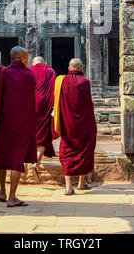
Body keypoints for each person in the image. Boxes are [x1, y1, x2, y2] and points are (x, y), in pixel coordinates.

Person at [0, 46, 36, 207]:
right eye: (27, 58)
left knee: (3, 155)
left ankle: (1, 191)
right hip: (22, 123)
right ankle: (12, 197)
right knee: (17, 159)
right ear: (22, 58)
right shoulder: (29, 76)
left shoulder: (1, 72)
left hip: (3, 121)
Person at [54, 58, 97, 195]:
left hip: (67, 123)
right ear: (81, 69)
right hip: (84, 123)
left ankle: (68, 186)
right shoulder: (86, 82)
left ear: (69, 68)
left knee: (67, 151)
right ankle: (81, 182)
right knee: (84, 149)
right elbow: (87, 104)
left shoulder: (61, 81)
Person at [28, 56, 58, 182]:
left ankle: (34, 162)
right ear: (45, 63)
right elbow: (54, 90)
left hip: (30, 106)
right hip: (45, 107)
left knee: (31, 135)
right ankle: (36, 163)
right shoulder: (50, 71)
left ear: (32, 63)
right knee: (44, 136)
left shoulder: (28, 70)